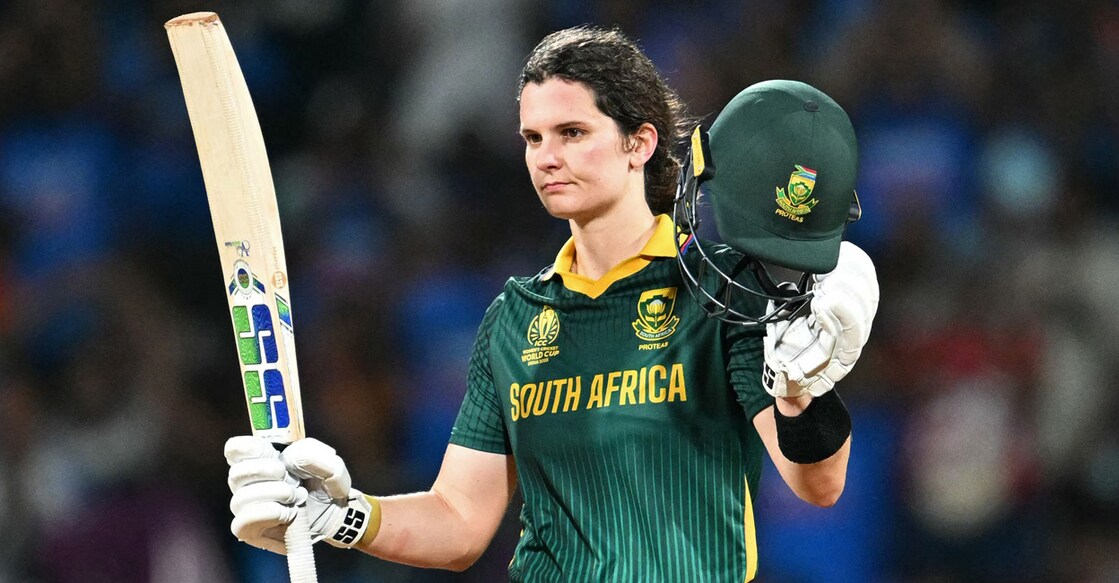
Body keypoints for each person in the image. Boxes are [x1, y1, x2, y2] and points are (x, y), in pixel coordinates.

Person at [224, 26, 879, 581]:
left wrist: (801, 394)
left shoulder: (718, 289)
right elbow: (459, 521)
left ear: (639, 142)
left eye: (571, 131)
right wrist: (344, 515)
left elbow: (816, 483)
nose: (547, 157)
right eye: (533, 138)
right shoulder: (514, 316)